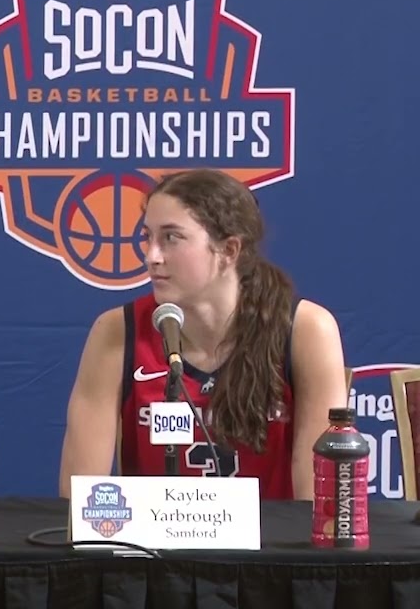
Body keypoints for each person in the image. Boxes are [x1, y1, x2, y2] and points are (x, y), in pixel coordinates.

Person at [58, 169, 348, 500]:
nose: (151, 256)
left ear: (228, 251)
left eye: (171, 237)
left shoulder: (306, 329)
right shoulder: (116, 331)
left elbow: (319, 498)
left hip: (273, 547)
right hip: (152, 548)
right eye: (147, 237)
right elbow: (78, 494)